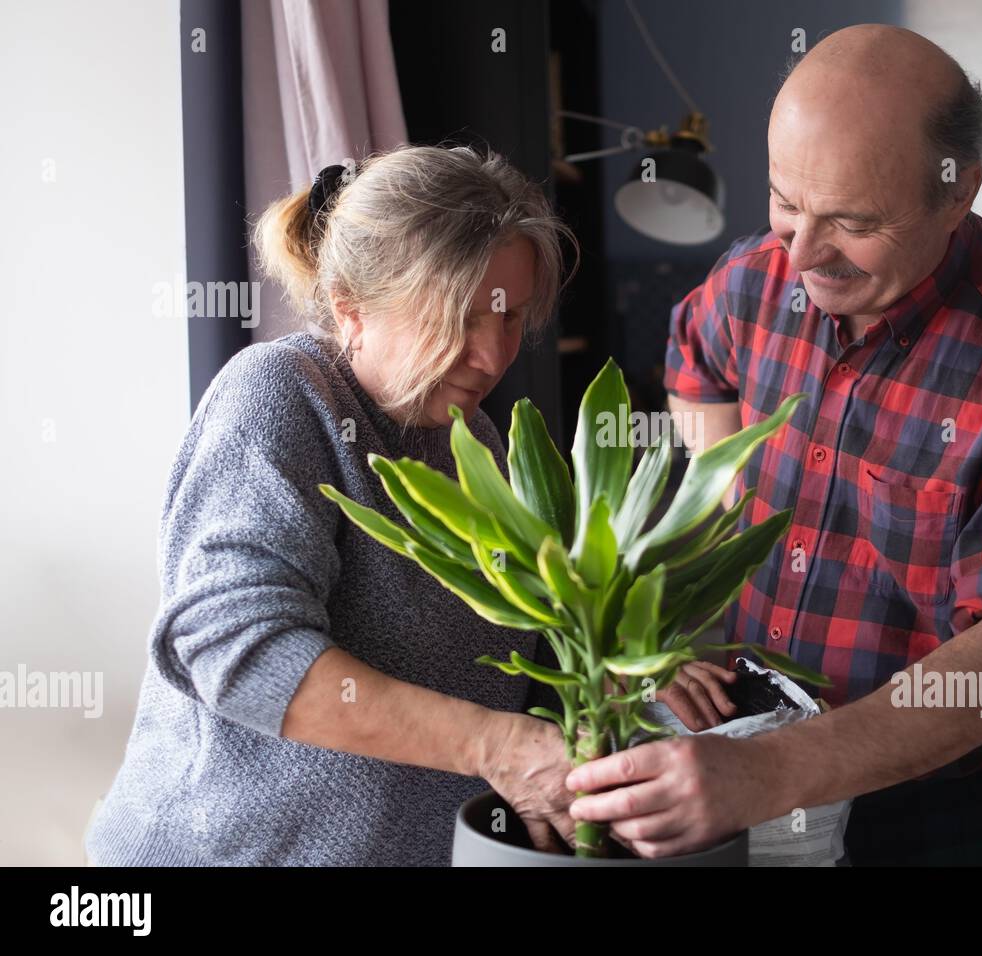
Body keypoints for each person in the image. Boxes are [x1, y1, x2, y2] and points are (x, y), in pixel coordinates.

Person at [565, 24, 982, 865]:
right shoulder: (753, 279)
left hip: (958, 817)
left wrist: (767, 772)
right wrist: (714, 547)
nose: (801, 253)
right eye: (785, 202)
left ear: (957, 189)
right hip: (748, 765)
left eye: (851, 221)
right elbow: (695, 360)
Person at [85, 144, 646, 865]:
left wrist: (632, 663)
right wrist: (493, 745)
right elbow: (236, 647)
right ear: (352, 311)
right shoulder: (281, 396)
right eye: (459, 318)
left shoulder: (474, 440)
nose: (492, 356)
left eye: (508, 318)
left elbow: (517, 647)